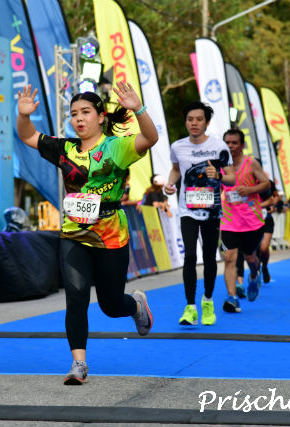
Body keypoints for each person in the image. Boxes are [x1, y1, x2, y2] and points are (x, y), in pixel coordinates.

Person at [16, 82, 158, 385]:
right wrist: (24, 115)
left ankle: (135, 305)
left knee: (111, 306)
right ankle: (78, 364)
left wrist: (139, 109)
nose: (79, 118)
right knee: (76, 297)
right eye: (74, 113)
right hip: (74, 233)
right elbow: (28, 136)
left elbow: (150, 138)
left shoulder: (116, 147)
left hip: (111, 234)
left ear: (101, 116)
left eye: (85, 112)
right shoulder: (65, 149)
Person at [164, 101, 235, 326]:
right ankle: (190, 307)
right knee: (190, 257)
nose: (194, 123)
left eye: (199, 119)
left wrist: (219, 176)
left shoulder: (219, 146)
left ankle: (207, 301)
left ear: (207, 122)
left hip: (212, 210)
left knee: (209, 256)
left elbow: (232, 177)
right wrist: (169, 185)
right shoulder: (177, 146)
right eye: (190, 119)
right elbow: (176, 170)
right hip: (188, 209)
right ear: (185, 122)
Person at [219, 129, 269, 313]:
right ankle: (232, 298)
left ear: (242, 145)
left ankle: (254, 274)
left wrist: (250, 190)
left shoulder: (251, 163)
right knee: (229, 258)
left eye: (234, 143)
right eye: (227, 143)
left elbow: (266, 183)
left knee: (249, 257)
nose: (230, 146)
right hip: (229, 220)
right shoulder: (220, 165)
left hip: (251, 220)